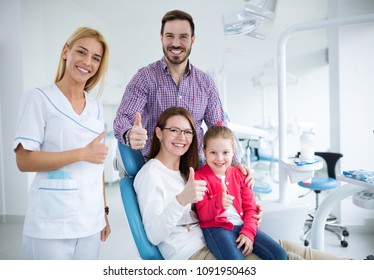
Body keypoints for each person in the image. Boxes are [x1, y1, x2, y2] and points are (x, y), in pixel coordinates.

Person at [134, 107, 346, 260]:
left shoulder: (185, 170)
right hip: (194, 251)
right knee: (292, 262)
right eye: (174, 130)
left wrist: (249, 216)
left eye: (188, 131)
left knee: (294, 251)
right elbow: (153, 235)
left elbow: (234, 196)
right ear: (159, 132)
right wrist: (182, 200)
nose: (182, 137)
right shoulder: (151, 174)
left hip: (225, 235)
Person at [113, 9, 253, 187]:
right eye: (170, 36)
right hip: (157, 166)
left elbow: (219, 128)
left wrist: (235, 162)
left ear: (192, 40)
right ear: (161, 37)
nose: (176, 43)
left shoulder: (206, 83)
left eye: (183, 37)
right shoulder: (145, 77)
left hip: (195, 165)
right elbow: (122, 118)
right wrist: (128, 134)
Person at [13, 27, 111, 260]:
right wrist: (81, 153)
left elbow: (98, 165)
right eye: (81, 52)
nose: (87, 62)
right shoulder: (38, 98)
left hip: (90, 218)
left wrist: (103, 212)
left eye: (95, 58)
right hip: (51, 221)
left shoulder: (96, 107)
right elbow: (24, 160)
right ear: (65, 51)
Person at [195, 124, 287, 260]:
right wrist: (217, 203)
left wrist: (248, 232)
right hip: (217, 229)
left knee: (280, 255)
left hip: (243, 224)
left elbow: (250, 208)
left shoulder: (241, 174)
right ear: (204, 151)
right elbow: (203, 215)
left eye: (225, 152)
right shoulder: (199, 177)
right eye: (213, 152)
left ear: (233, 151)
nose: (219, 158)